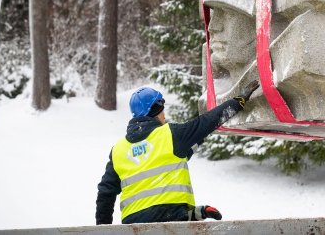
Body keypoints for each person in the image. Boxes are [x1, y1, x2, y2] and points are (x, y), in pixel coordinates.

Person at [96, 80, 259, 225]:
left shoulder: (118, 150)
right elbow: (207, 122)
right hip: (171, 221)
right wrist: (238, 102)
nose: (164, 116)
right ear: (155, 110)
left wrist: (103, 229)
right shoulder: (170, 135)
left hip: (133, 226)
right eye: (162, 110)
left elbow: (106, 192)